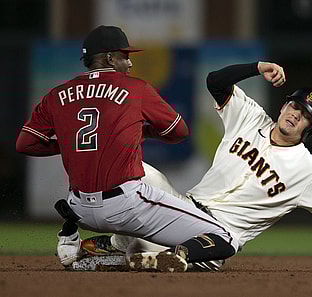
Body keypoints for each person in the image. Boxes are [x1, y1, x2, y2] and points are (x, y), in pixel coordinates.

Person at [77, 61, 312, 273]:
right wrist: (257, 67)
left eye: (306, 116)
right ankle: (124, 248)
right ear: (284, 106)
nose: (296, 114)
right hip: (180, 208)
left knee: (172, 246)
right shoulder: (250, 116)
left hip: (213, 240)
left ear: (310, 129)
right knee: (144, 173)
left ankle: (133, 253)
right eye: (295, 106)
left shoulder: (310, 172)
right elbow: (215, 81)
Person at [15, 25, 237, 272]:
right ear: (109, 58)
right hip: (126, 205)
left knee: (132, 218)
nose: (129, 63)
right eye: (125, 56)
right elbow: (179, 131)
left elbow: (25, 144)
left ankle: (83, 247)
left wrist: (69, 142)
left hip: (80, 210)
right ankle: (170, 256)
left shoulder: (56, 95)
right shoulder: (135, 88)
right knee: (223, 238)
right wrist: (143, 131)